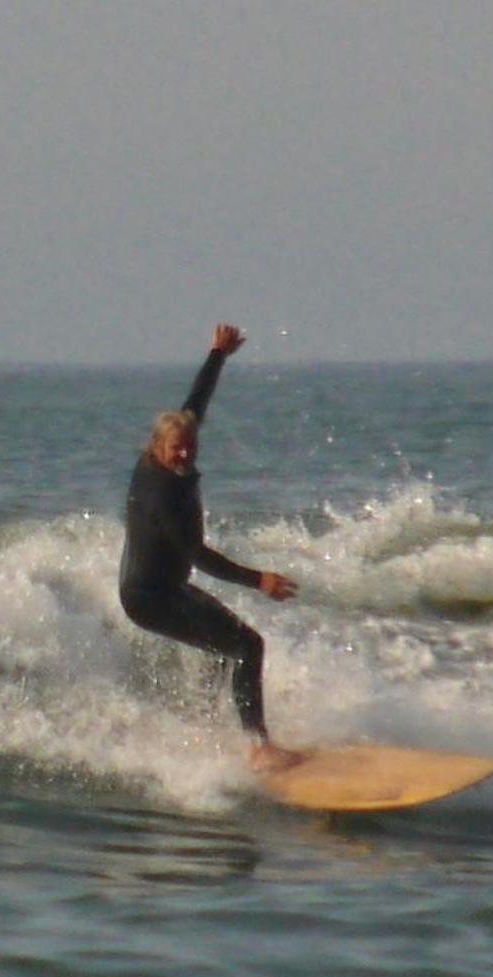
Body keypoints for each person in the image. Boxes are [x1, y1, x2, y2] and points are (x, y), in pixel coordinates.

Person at [120, 324, 300, 771]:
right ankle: (260, 747)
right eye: (177, 450)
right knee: (249, 646)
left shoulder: (163, 454)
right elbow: (196, 555)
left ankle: (201, 731)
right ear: (158, 449)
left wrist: (217, 355)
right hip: (150, 598)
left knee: (224, 646)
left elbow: (194, 406)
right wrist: (258, 580)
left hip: (160, 589)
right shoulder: (163, 494)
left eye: (189, 447)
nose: (185, 455)